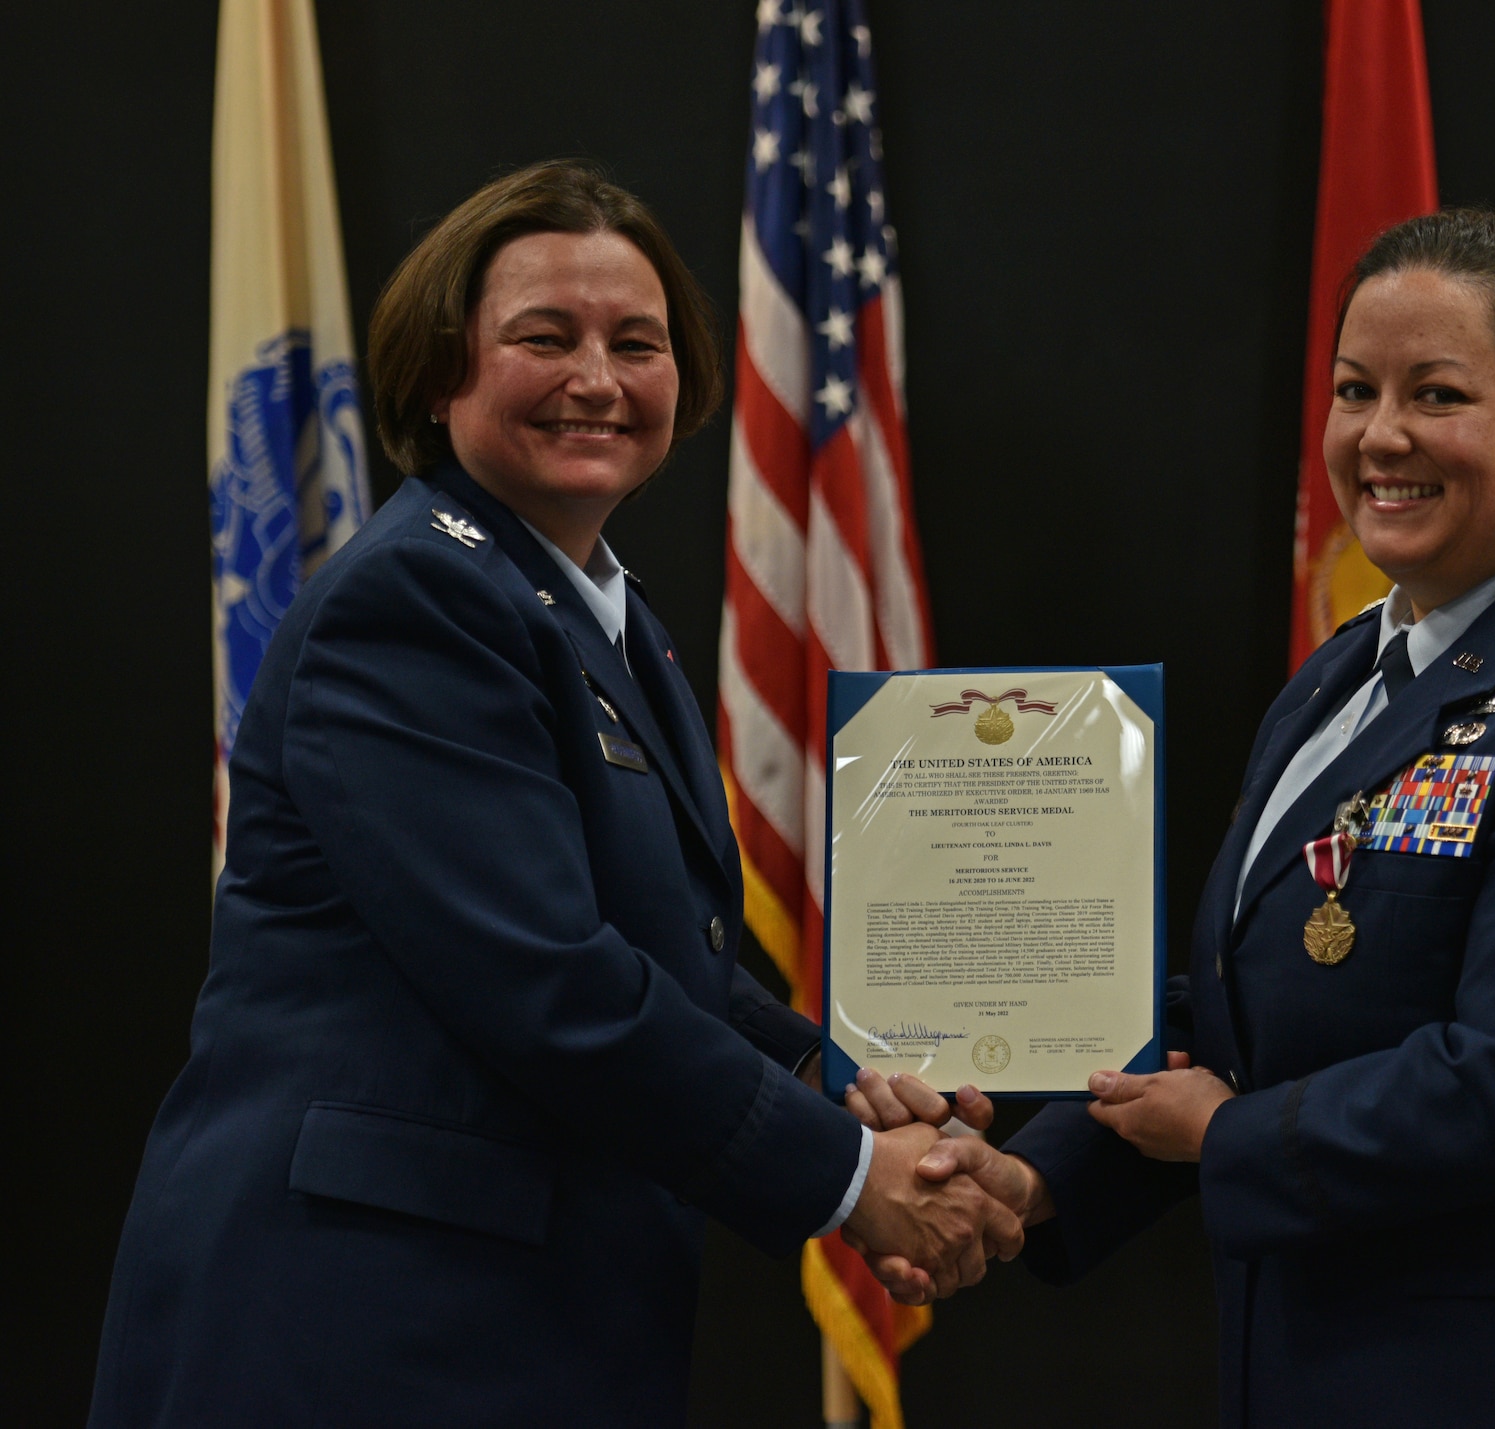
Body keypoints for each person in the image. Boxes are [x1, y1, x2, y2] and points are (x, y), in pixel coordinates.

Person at [846, 209, 1495, 1427]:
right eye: (1354, 389)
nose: (1381, 435)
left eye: (1437, 393)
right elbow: (1232, 1013)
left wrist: (1230, 1136)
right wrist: (1028, 1175)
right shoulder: (1343, 677)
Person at [89, 161, 1018, 1428]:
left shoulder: (593, 612)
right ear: (437, 372)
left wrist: (841, 1070)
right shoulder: (414, 599)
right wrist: (850, 1170)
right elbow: (545, 977)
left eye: (636, 342)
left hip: (501, 1311)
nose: (596, 377)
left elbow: (650, 955)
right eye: (544, 337)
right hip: (362, 1324)